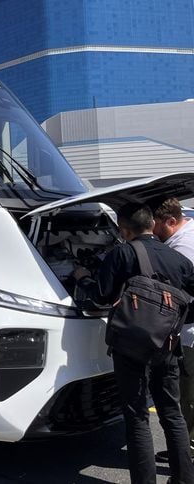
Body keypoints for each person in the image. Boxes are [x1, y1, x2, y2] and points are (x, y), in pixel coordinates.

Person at [73, 202, 194, 484]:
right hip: (167, 346)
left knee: (137, 416)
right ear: (153, 223)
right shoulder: (178, 258)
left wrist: (84, 278)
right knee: (171, 414)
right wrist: (173, 323)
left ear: (124, 230)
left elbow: (101, 297)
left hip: (130, 348)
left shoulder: (122, 253)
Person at [150, 197, 194, 464]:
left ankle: (187, 456)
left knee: (188, 397)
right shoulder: (189, 233)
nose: (153, 232)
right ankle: (184, 448)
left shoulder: (184, 248)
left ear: (170, 221)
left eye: (156, 226)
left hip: (191, 333)